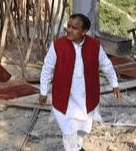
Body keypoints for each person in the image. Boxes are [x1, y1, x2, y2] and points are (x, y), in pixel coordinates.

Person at [39, 13, 121, 151]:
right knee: (68, 128)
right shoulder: (58, 45)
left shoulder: (94, 45)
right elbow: (47, 68)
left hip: (85, 97)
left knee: (83, 126)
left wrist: (115, 83)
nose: (69, 30)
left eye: (75, 28)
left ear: (83, 32)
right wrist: (43, 91)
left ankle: (77, 146)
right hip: (64, 97)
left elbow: (106, 64)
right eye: (69, 26)